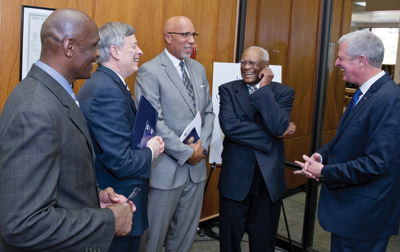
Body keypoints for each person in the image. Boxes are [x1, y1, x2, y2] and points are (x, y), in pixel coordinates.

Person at [0, 9, 135, 251]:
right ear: (69, 47)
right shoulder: (35, 110)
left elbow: (54, 179)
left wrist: (96, 198)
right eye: (94, 45)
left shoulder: (53, 93)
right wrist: (108, 220)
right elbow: (23, 224)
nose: (97, 54)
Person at [294, 30, 400, 252]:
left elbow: (377, 163)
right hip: (351, 213)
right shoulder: (367, 94)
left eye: (341, 58)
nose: (336, 63)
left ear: (361, 60)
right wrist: (321, 155)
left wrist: (325, 171)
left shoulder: (389, 100)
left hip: (364, 216)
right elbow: (346, 138)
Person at [77, 22, 165, 252]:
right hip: (118, 200)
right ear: (115, 51)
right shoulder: (107, 90)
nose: (140, 52)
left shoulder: (108, 84)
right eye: (133, 46)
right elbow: (121, 162)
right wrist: (151, 150)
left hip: (118, 197)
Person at [134, 16, 215, 252]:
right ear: (168, 37)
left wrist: (202, 148)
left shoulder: (198, 69)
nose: (191, 41)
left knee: (185, 237)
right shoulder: (150, 71)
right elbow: (154, 121)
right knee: (153, 239)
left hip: (196, 169)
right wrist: (185, 152)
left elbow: (209, 112)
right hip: (166, 169)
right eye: (185, 35)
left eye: (193, 35)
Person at [218, 46, 295, 252]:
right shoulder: (228, 89)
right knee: (229, 239)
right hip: (235, 176)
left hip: (268, 179)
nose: (246, 67)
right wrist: (272, 134)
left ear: (266, 67)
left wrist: (264, 90)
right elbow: (230, 127)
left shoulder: (283, 92)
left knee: (263, 241)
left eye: (252, 63)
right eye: (243, 62)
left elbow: (277, 126)